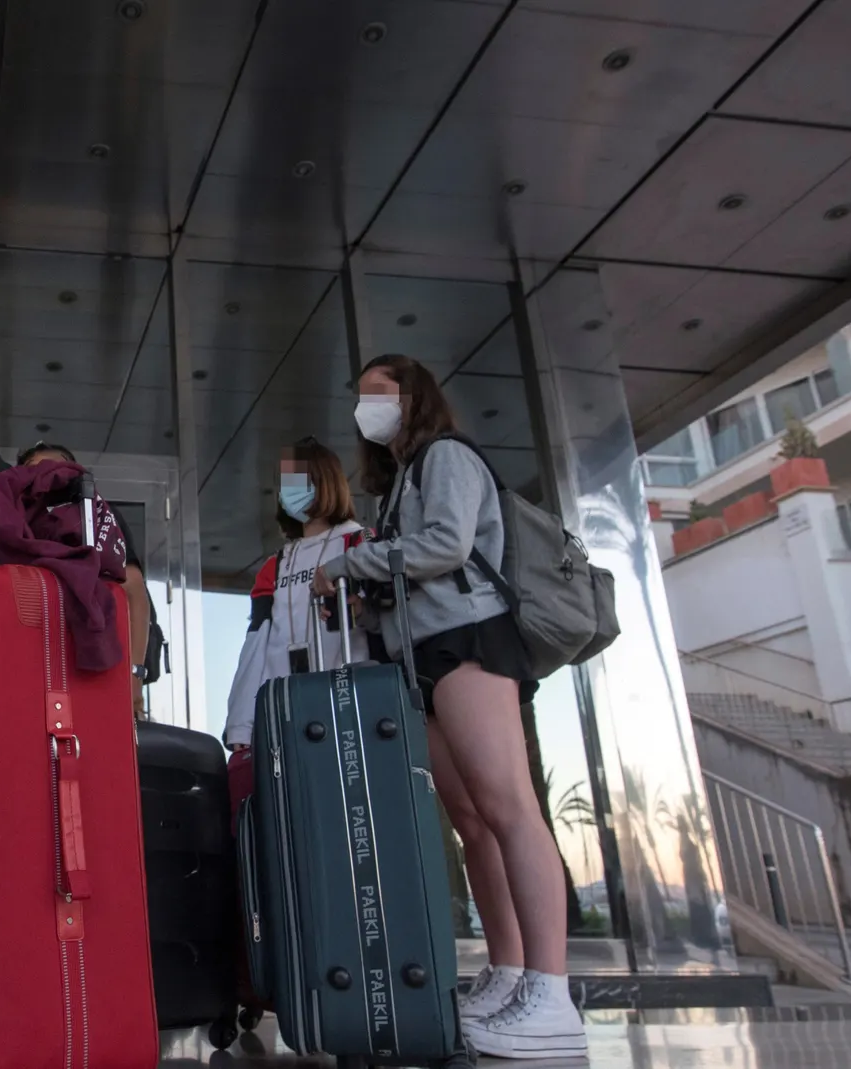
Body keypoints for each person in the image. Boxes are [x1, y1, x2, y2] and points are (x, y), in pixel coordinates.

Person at [314, 353, 583, 1060]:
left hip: (469, 641)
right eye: (360, 395)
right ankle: (511, 971)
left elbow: (447, 545)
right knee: (472, 820)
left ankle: (551, 990)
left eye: (379, 392)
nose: (366, 407)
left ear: (413, 396)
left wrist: (351, 563)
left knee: (509, 808)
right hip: (422, 653)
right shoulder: (403, 478)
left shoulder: (447, 455)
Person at [222, 437, 367, 751]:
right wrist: (240, 727)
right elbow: (255, 648)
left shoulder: (359, 544)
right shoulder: (275, 565)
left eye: (298, 481)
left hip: (350, 708)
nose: (288, 491)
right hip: (285, 712)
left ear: (324, 482)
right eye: (284, 483)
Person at [17, 442, 154, 717]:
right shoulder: (14, 523)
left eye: (57, 467)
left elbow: (134, 592)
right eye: (36, 470)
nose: (48, 476)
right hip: (34, 667)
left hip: (101, 667)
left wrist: (134, 675)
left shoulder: (101, 517)